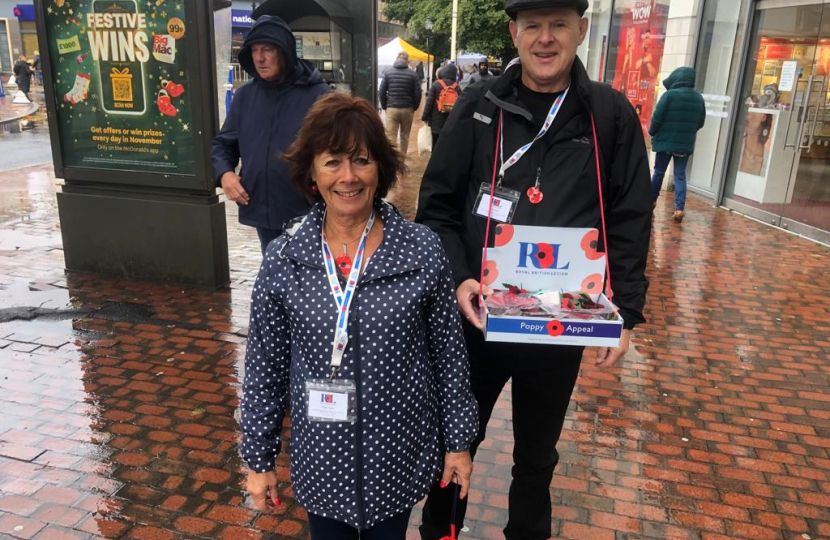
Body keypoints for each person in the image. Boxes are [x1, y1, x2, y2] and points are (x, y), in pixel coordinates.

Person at [415, 0, 652, 538]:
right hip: (478, 319)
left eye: (559, 25)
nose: (546, 39)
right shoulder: (479, 106)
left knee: (537, 455)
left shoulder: (610, 115)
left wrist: (627, 312)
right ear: (514, 34)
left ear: (582, 30)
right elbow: (437, 207)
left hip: (560, 323)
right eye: (533, 27)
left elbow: (632, 217)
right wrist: (459, 277)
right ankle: (440, 532)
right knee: (456, 442)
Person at [240, 92, 478, 540]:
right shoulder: (286, 257)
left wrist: (459, 443)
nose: (348, 177)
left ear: (380, 169)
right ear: (311, 170)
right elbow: (264, 367)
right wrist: (258, 458)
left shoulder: (420, 250)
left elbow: (449, 354)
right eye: (332, 161)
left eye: (361, 160)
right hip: (322, 463)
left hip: (398, 457)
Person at [211, 15, 330, 255]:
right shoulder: (245, 96)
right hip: (263, 209)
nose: (259, 58)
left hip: (308, 211)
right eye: (254, 50)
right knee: (275, 276)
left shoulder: (319, 95)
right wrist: (225, 175)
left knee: (311, 281)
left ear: (284, 52)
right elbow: (223, 144)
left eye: (267, 49)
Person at [649, 66, 706, 223]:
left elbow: (657, 117)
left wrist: (652, 132)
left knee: (659, 171)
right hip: (684, 144)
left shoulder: (669, 96)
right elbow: (700, 122)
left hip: (665, 142)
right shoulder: (698, 98)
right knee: (680, 175)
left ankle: (651, 201)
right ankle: (679, 209)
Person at [379, 51, 422, 156]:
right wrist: (414, 107)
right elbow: (418, 93)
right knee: (405, 136)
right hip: (407, 108)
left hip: (392, 108)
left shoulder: (388, 72)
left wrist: (385, 106)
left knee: (391, 136)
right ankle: (402, 159)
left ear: (397, 59)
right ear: (407, 60)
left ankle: (393, 161)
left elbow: (382, 91)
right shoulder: (413, 74)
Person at [421, 64, 459, 149]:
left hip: (436, 123)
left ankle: (434, 161)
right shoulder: (457, 87)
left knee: (435, 145)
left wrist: (425, 117)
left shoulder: (436, 84)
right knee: (446, 146)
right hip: (450, 123)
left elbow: (429, 103)